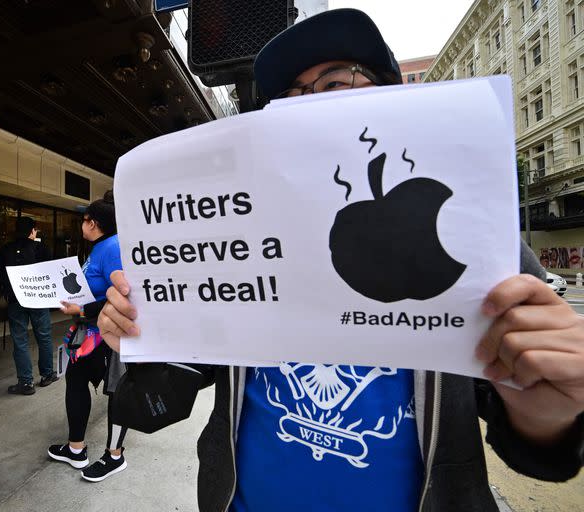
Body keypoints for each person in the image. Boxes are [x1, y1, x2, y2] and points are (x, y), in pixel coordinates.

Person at [96, 9, 584, 512]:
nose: (306, 106)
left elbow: (541, 447)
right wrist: (141, 337)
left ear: (391, 96)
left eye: (334, 82)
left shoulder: (467, 233)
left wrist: (544, 415)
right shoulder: (235, 235)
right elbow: (159, 402)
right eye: (288, 96)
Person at [47, 190, 129, 482]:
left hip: (109, 333)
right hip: (90, 331)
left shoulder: (111, 248)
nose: (81, 226)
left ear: (93, 223)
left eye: (84, 220)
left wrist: (82, 307)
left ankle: (114, 455)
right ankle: (76, 448)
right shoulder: (102, 247)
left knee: (118, 391)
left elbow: (121, 294)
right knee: (78, 381)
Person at [0, 216, 57, 395]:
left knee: (20, 340)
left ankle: (25, 382)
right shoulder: (41, 249)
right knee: (44, 336)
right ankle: (47, 374)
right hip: (39, 300)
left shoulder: (6, 249)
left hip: (16, 301)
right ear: (31, 231)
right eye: (35, 230)